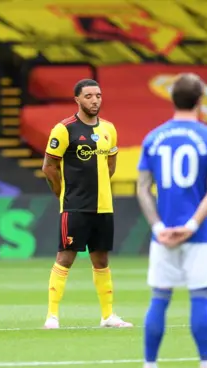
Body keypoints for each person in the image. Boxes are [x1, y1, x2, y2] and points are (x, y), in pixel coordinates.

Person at [134, 73, 207, 368]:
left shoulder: (153, 138)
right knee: (199, 299)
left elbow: (142, 188)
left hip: (163, 235)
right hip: (199, 235)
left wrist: (158, 227)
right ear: (200, 101)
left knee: (159, 298)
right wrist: (192, 225)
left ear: (172, 99)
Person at [41, 78, 133, 329]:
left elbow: (110, 165)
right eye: (89, 96)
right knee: (65, 258)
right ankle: (52, 316)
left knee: (101, 260)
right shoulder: (64, 129)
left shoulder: (109, 129)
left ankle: (108, 316)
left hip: (103, 206)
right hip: (75, 207)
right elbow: (49, 167)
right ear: (78, 100)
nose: (95, 100)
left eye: (98, 96)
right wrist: (63, 194)